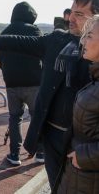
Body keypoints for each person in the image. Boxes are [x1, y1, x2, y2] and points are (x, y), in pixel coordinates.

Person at [0, 0, 99, 189]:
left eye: (79, 14)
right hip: (51, 135)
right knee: (57, 185)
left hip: (80, 140)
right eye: (71, 12)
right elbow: (15, 41)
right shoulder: (56, 40)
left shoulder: (93, 51)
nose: (71, 18)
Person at [55, 15, 99, 193]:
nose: (83, 41)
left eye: (89, 36)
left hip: (88, 176)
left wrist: (83, 157)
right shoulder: (95, 76)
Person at [0, 1, 43, 166]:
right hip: (34, 82)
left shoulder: (4, 33)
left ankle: (14, 154)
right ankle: (40, 151)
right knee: (37, 116)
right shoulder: (35, 31)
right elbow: (42, 53)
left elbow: (0, 60)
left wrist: (8, 74)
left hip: (12, 83)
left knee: (15, 118)